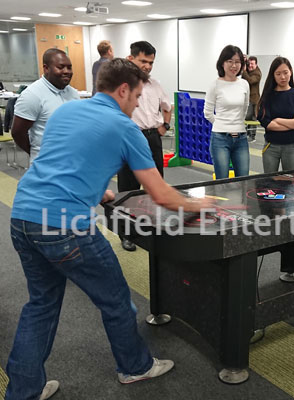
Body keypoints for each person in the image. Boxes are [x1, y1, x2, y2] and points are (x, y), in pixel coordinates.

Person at [5, 58, 212, 399]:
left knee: (40, 306)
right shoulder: (125, 127)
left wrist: (99, 190)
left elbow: (61, 161)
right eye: (136, 97)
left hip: (23, 216)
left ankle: (23, 392)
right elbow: (160, 193)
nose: (137, 105)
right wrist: (196, 205)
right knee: (117, 302)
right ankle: (135, 367)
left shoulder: (67, 111)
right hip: (66, 227)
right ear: (123, 90)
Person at [117, 41, 172, 251]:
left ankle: (153, 227)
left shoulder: (155, 84)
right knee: (128, 189)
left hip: (152, 138)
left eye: (151, 62)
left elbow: (168, 107)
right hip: (129, 139)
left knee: (156, 186)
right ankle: (127, 234)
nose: (148, 66)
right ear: (131, 59)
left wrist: (164, 127)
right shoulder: (120, 86)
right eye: (143, 61)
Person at [11, 48, 80, 163]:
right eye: (60, 67)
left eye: (69, 67)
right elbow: (18, 133)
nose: (67, 71)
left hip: (72, 162)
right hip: (46, 165)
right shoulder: (32, 95)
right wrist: (37, 153)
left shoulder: (73, 93)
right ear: (46, 68)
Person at [203, 44, 250, 179]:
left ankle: (240, 202)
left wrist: (237, 123)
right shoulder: (215, 85)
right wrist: (221, 124)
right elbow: (208, 113)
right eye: (230, 61)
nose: (234, 65)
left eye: (237, 62)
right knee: (222, 181)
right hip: (220, 139)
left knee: (244, 179)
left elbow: (245, 108)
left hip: (241, 138)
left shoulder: (244, 84)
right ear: (222, 63)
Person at [257, 56, 294, 172]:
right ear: (273, 75)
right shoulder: (268, 96)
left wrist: (277, 120)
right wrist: (292, 123)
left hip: (292, 147)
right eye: (278, 74)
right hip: (271, 147)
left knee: (291, 183)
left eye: (285, 73)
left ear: (290, 72)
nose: (282, 77)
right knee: (269, 182)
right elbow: (268, 124)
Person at [242, 55, 262, 143]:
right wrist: (244, 61)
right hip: (248, 98)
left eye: (252, 64)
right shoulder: (249, 71)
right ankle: (246, 134)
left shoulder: (257, 73)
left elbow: (250, 80)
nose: (250, 65)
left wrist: (244, 71)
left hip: (254, 100)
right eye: (249, 64)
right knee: (247, 117)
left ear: (256, 65)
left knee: (253, 118)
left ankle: (252, 136)